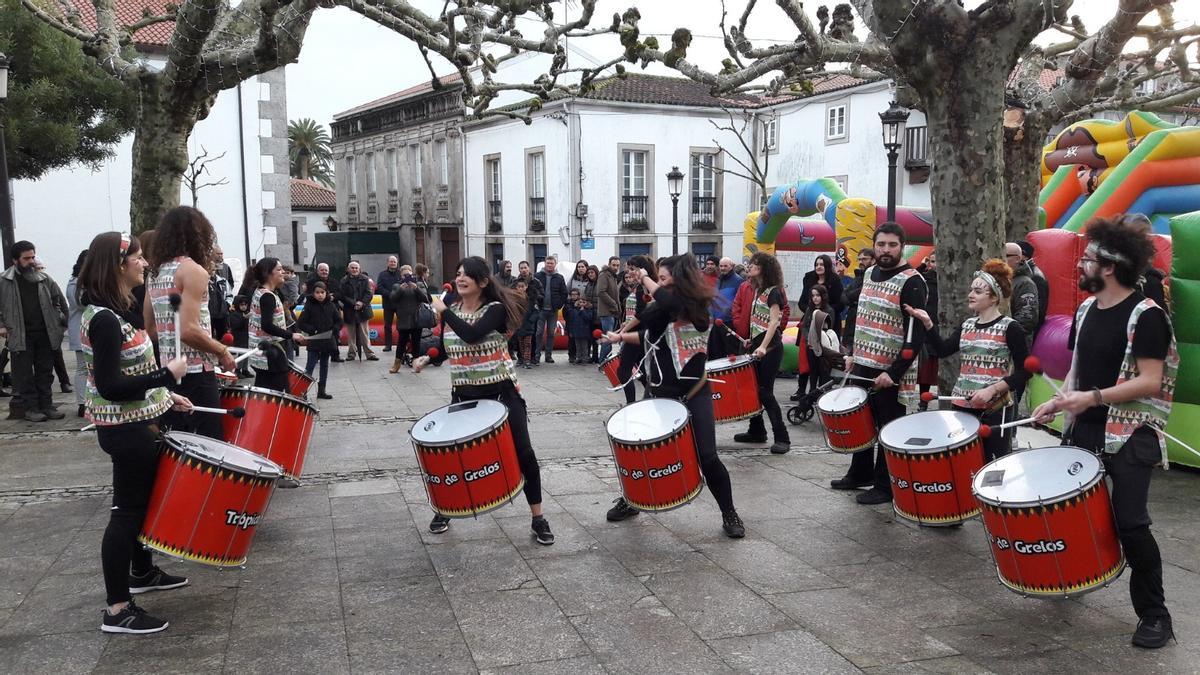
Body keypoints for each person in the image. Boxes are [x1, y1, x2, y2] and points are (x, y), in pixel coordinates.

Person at [1032, 214, 1177, 649]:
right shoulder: (1084, 309)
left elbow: (1151, 380)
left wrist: (1093, 398)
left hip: (1132, 435)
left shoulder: (1147, 315)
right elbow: (1079, 372)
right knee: (1074, 513)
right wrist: (1058, 401)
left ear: (1110, 266)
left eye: (1089, 259)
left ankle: (1155, 615)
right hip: (1087, 428)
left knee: (1130, 523)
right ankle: (1073, 578)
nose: (1081, 266)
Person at [78, 232, 192, 634]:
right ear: (118, 265)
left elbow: (133, 374)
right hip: (126, 431)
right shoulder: (105, 320)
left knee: (139, 509)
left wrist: (165, 397)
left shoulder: (116, 311)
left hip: (138, 421)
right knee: (125, 515)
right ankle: (117, 608)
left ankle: (141, 573)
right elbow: (109, 385)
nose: (144, 263)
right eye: (138, 258)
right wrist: (167, 374)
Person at [600, 254, 746, 537]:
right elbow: (646, 335)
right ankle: (632, 500)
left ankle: (729, 512)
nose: (658, 283)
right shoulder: (661, 308)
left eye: (663, 278)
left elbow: (672, 304)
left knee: (708, 457)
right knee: (641, 452)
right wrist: (619, 338)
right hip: (660, 394)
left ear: (680, 281)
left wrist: (644, 277)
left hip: (694, 392)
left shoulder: (697, 307)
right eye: (658, 279)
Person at [413, 256, 554, 544]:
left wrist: (444, 311)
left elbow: (473, 335)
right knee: (455, 458)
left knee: (524, 453)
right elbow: (447, 346)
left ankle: (538, 517)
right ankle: (446, 509)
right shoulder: (451, 310)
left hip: (501, 393)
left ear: (483, 282)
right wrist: (428, 358)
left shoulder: (496, 309)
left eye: (467, 274)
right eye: (458, 273)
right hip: (464, 395)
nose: (460, 278)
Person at [834, 223, 927, 505]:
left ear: (902, 246)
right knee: (862, 421)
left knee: (889, 427)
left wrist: (894, 372)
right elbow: (858, 315)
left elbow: (916, 335)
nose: (885, 250)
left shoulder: (913, 281)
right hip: (862, 362)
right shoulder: (870, 274)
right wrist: (849, 351)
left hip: (891, 369)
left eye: (892, 245)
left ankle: (885, 486)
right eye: (881, 244)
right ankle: (859, 472)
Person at [904, 259, 1030, 462]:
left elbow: (1025, 371)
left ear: (994, 297)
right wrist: (927, 323)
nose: (970, 295)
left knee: (993, 465)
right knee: (964, 464)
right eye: (971, 290)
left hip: (995, 409)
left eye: (978, 291)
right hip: (962, 405)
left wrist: (992, 389)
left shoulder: (1011, 327)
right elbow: (943, 350)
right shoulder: (967, 325)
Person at [144, 207, 237, 439]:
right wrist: (222, 351)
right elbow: (187, 330)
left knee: (176, 442)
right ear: (200, 235)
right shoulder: (193, 271)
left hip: (169, 370)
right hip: (196, 372)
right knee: (210, 443)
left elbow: (151, 330)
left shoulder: (155, 273)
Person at [0, 241, 70, 422]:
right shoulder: (4, 281)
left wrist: (61, 321)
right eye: (26, 258)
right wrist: (2, 325)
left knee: (45, 372)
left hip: (45, 332)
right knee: (24, 374)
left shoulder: (44, 278)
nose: (31, 261)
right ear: (15, 260)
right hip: (20, 334)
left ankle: (47, 406)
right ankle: (31, 409)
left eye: (32, 257)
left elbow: (59, 300)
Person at [732, 252, 791, 454]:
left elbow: (774, 322)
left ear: (764, 268)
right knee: (753, 390)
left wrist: (763, 346)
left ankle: (782, 438)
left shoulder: (774, 291)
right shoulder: (758, 290)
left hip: (771, 349)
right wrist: (752, 339)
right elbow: (759, 320)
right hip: (759, 346)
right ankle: (757, 430)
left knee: (765, 392)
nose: (750, 266)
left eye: (755, 264)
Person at [246, 258, 307, 392]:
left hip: (263, 353)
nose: (283, 272)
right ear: (268, 274)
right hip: (270, 354)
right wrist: (291, 335)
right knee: (279, 395)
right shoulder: (267, 296)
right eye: (279, 270)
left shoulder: (260, 292)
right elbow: (266, 325)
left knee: (264, 392)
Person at [613, 256, 657, 404]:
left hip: (639, 333)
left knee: (624, 370)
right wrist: (624, 327)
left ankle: (631, 404)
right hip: (640, 332)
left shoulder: (643, 288)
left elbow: (641, 314)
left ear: (642, 270)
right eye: (628, 268)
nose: (629, 272)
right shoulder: (640, 287)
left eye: (632, 269)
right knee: (643, 371)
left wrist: (623, 331)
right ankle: (652, 399)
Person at [296, 281, 341, 399]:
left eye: (322, 292)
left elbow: (338, 320)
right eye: (317, 292)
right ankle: (302, 391)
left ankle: (322, 391)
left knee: (324, 365)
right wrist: (313, 329)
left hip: (327, 340)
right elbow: (301, 323)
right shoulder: (309, 306)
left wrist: (334, 330)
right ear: (313, 293)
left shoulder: (331, 305)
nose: (320, 295)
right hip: (315, 341)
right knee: (310, 365)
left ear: (326, 293)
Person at [388, 265, 430, 374]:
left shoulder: (418, 285)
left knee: (416, 342)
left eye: (409, 275)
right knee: (401, 342)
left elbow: (426, 299)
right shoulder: (397, 286)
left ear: (412, 274)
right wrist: (401, 289)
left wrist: (415, 288)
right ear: (401, 276)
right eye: (404, 275)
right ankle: (396, 365)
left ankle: (416, 365)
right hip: (403, 319)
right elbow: (392, 299)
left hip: (416, 318)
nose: (407, 277)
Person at [799, 284, 837, 397]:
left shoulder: (829, 310)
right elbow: (804, 326)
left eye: (818, 295)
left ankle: (822, 393)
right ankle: (812, 391)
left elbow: (829, 328)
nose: (815, 298)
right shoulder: (809, 309)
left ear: (823, 296)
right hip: (811, 345)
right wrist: (808, 339)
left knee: (823, 370)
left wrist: (820, 341)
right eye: (813, 296)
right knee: (813, 370)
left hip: (823, 345)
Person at [1005, 242, 1042, 350]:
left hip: (1016, 346)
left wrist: (1004, 334)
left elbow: (1027, 319)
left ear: (1017, 258)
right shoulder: (1006, 279)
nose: (1000, 258)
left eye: (1005, 255)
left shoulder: (1025, 283)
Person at [839, 248, 877, 351]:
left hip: (867, 325)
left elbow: (865, 292)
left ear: (873, 260)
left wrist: (852, 297)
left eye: (864, 259)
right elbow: (843, 296)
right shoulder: (858, 276)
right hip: (851, 322)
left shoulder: (876, 277)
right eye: (859, 259)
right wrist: (854, 299)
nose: (861, 262)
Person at [340, 261, 377, 361]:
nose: (354, 270)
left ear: (359, 269)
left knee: (364, 333)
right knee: (351, 334)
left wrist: (362, 303)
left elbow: (369, 293)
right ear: (348, 269)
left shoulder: (365, 279)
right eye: (352, 268)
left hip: (363, 310)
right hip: (349, 309)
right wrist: (353, 303)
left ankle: (369, 354)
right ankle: (351, 354)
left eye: (356, 268)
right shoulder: (343, 281)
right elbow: (343, 295)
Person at [916, 253, 940, 409]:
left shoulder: (952, 282)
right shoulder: (923, 280)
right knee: (925, 371)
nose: (935, 264)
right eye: (932, 261)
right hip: (926, 328)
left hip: (942, 328)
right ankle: (923, 401)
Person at [799, 254, 844, 335]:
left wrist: (823, 312)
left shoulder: (835, 280)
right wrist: (812, 312)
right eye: (816, 265)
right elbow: (802, 303)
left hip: (830, 322)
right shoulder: (809, 279)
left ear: (828, 266)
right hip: (810, 321)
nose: (818, 267)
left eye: (822, 264)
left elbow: (840, 304)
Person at [67, 250, 89, 416]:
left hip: (88, 330)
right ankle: (82, 403)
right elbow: (81, 303)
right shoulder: (75, 283)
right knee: (83, 368)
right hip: (80, 330)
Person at [534, 256, 567, 363]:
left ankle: (548, 355)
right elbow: (533, 291)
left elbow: (564, 293)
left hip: (553, 310)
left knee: (551, 333)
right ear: (545, 263)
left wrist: (559, 305)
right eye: (548, 263)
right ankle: (537, 354)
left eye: (551, 263)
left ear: (555, 264)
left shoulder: (559, 277)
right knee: (538, 332)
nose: (549, 265)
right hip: (540, 309)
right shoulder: (537, 276)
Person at [710, 257, 743, 359]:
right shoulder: (718, 280)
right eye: (721, 266)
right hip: (717, 323)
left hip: (730, 323)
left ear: (732, 266)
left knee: (731, 353)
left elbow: (741, 302)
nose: (723, 268)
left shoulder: (739, 281)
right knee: (715, 353)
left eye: (725, 266)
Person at [596, 256, 623, 363]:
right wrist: (614, 305)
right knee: (608, 339)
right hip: (607, 312)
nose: (616, 267)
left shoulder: (613, 276)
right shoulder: (604, 275)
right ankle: (602, 362)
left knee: (609, 338)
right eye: (614, 265)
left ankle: (605, 361)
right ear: (609, 264)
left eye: (617, 265)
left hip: (612, 312)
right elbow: (601, 292)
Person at [567, 260, 591, 364]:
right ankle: (573, 356)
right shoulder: (573, 279)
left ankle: (585, 356)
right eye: (579, 267)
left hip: (585, 306)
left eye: (582, 266)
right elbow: (568, 291)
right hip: (574, 307)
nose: (580, 268)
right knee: (573, 337)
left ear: (586, 268)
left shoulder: (589, 279)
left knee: (585, 339)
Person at [377, 255, 403, 352]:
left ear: (397, 263)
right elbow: (379, 287)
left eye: (394, 262)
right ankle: (388, 345)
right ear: (388, 263)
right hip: (388, 304)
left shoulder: (400, 274)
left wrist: (397, 295)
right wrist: (390, 294)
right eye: (391, 261)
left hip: (400, 304)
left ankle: (402, 343)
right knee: (387, 326)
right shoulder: (382, 274)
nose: (393, 263)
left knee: (402, 325)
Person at [514, 278, 540, 368]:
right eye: (519, 287)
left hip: (528, 326)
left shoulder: (531, 299)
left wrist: (531, 320)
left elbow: (536, 312)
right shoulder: (514, 299)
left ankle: (527, 361)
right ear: (516, 288)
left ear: (526, 287)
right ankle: (521, 359)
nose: (521, 288)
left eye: (522, 286)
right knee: (520, 345)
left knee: (528, 344)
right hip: (519, 326)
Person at [564, 288, 594, 365]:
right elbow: (572, 320)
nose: (581, 304)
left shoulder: (588, 310)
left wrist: (583, 311)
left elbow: (588, 318)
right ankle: (578, 357)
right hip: (576, 331)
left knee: (584, 346)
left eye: (583, 302)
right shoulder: (574, 310)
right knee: (578, 346)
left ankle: (585, 358)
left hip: (584, 332)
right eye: (580, 302)